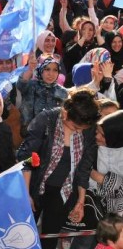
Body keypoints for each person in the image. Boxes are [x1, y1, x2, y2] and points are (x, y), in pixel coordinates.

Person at [17, 88, 101, 249]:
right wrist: (25, 195)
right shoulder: (46, 120)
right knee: (23, 233)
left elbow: (83, 168)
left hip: (64, 190)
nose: (78, 131)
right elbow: (26, 158)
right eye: (76, 127)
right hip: (34, 184)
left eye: (82, 129)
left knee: (50, 237)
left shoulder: (88, 129)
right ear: (65, 112)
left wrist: (80, 201)